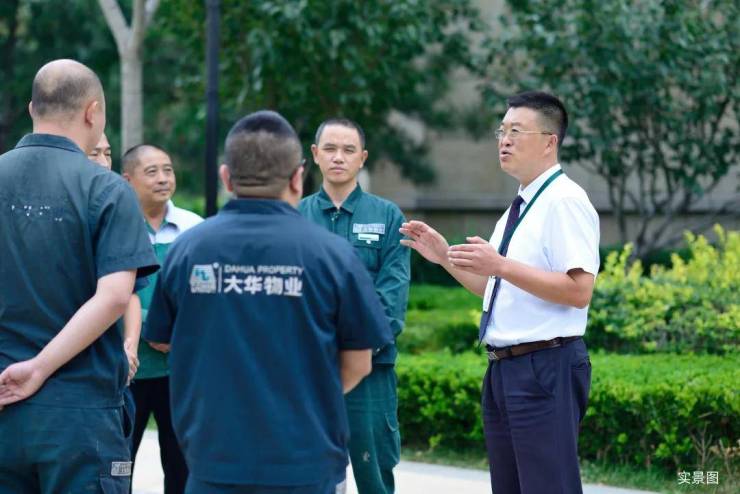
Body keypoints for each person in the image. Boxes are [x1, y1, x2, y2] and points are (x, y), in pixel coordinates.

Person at [143, 110, 393, 494]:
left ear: (226, 177)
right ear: (297, 177)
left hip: (213, 460)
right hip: (304, 462)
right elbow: (359, 361)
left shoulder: (187, 250)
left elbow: (162, 338)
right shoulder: (333, 255)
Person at [401, 91, 600, 494]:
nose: (504, 141)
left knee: (547, 486)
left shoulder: (564, 201)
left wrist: (501, 265)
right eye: (502, 131)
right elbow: (494, 288)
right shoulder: (522, 205)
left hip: (544, 366)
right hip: (504, 368)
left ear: (549, 142)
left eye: (516, 132)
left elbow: (580, 290)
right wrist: (444, 257)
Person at [0, 59, 158, 493]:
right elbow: (114, 297)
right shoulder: (106, 189)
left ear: (32, 109)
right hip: (80, 413)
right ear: (93, 112)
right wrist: (39, 368)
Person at [299, 118, 410, 494]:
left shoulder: (388, 216)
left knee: (373, 473)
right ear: (315, 155)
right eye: (330, 149)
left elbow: (391, 297)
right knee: (305, 473)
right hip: (307, 371)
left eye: (348, 150)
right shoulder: (295, 217)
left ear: (362, 158)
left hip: (371, 372)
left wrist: (354, 349)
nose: (338, 157)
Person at [121, 144, 202, 493]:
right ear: (127, 180)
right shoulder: (115, 227)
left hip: (179, 371)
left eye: (167, 169)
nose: (163, 178)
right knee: (118, 465)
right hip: (127, 371)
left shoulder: (194, 228)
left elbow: (206, 295)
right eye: (151, 171)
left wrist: (176, 329)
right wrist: (155, 326)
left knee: (182, 467)